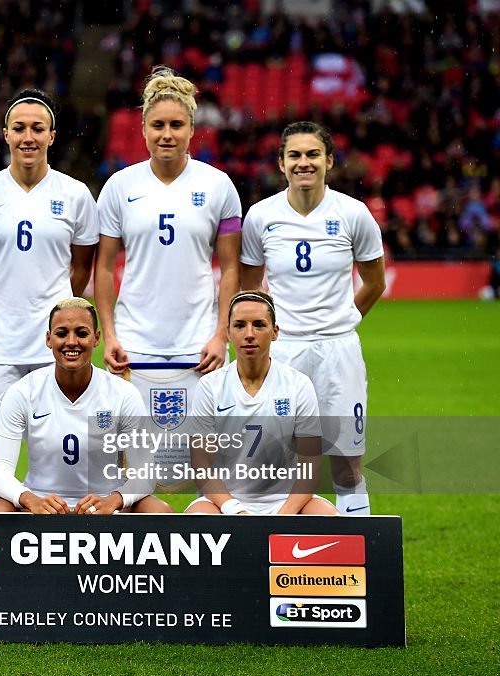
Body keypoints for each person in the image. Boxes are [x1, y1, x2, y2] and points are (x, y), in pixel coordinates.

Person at [94, 66, 241, 490]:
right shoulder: (120, 187)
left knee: (207, 475)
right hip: (134, 347)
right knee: (133, 476)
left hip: (201, 348)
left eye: (177, 125)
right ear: (142, 129)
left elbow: (231, 268)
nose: (167, 134)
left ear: (192, 128)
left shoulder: (218, 186)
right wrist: (110, 334)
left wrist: (221, 335)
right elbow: (104, 267)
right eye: (157, 125)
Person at [0, 88, 99, 509]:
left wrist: (59, 318)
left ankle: (63, 519)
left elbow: (81, 266)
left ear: (52, 136)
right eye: (19, 128)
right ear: (5, 134)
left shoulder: (74, 194)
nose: (28, 137)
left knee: (58, 437)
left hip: (57, 345)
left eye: (38, 128)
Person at [240, 121, 386, 515]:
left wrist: (341, 321)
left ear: (329, 161)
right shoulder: (260, 216)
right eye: (295, 155)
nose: (304, 162)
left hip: (339, 351)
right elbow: (252, 293)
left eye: (312, 154)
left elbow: (374, 282)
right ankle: (271, 549)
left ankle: (357, 551)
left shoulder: (354, 214)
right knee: (273, 460)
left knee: (346, 459)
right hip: (283, 352)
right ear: (282, 163)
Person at [0, 298, 172, 514]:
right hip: (42, 505)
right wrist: (31, 500)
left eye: (82, 333)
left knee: (160, 511)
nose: (71, 342)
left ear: (96, 338)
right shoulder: (23, 391)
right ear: (48, 339)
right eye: (62, 333)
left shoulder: (122, 393)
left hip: (103, 506)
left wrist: (114, 499)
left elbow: (146, 473)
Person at [185, 291, 336, 515]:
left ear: (275, 332)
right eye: (239, 325)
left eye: (258, 325)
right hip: (223, 502)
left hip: (286, 502)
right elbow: (201, 467)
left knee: (328, 518)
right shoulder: (209, 387)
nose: (249, 334)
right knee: (198, 519)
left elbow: (310, 468)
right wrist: (234, 509)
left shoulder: (298, 385)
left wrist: (283, 515)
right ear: (227, 332)